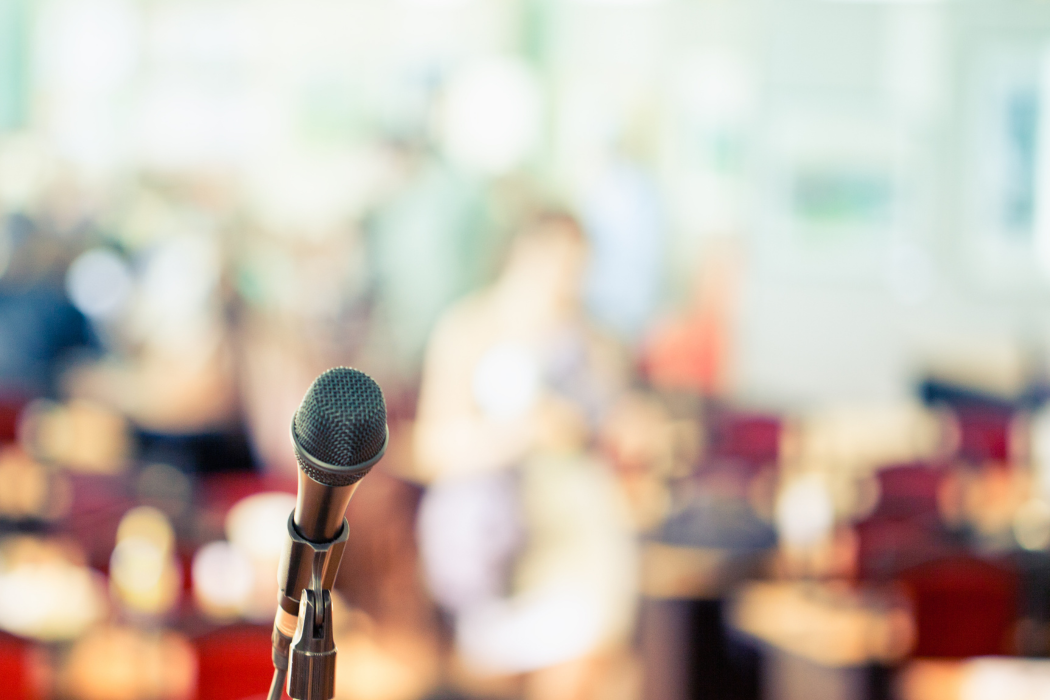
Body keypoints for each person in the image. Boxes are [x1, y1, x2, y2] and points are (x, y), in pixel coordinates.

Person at [413, 212, 639, 700]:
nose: (567, 282)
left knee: (593, 663)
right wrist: (523, 432)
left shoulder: (592, 341)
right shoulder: (469, 328)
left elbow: (611, 429)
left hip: (577, 541)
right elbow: (431, 448)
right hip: (495, 545)